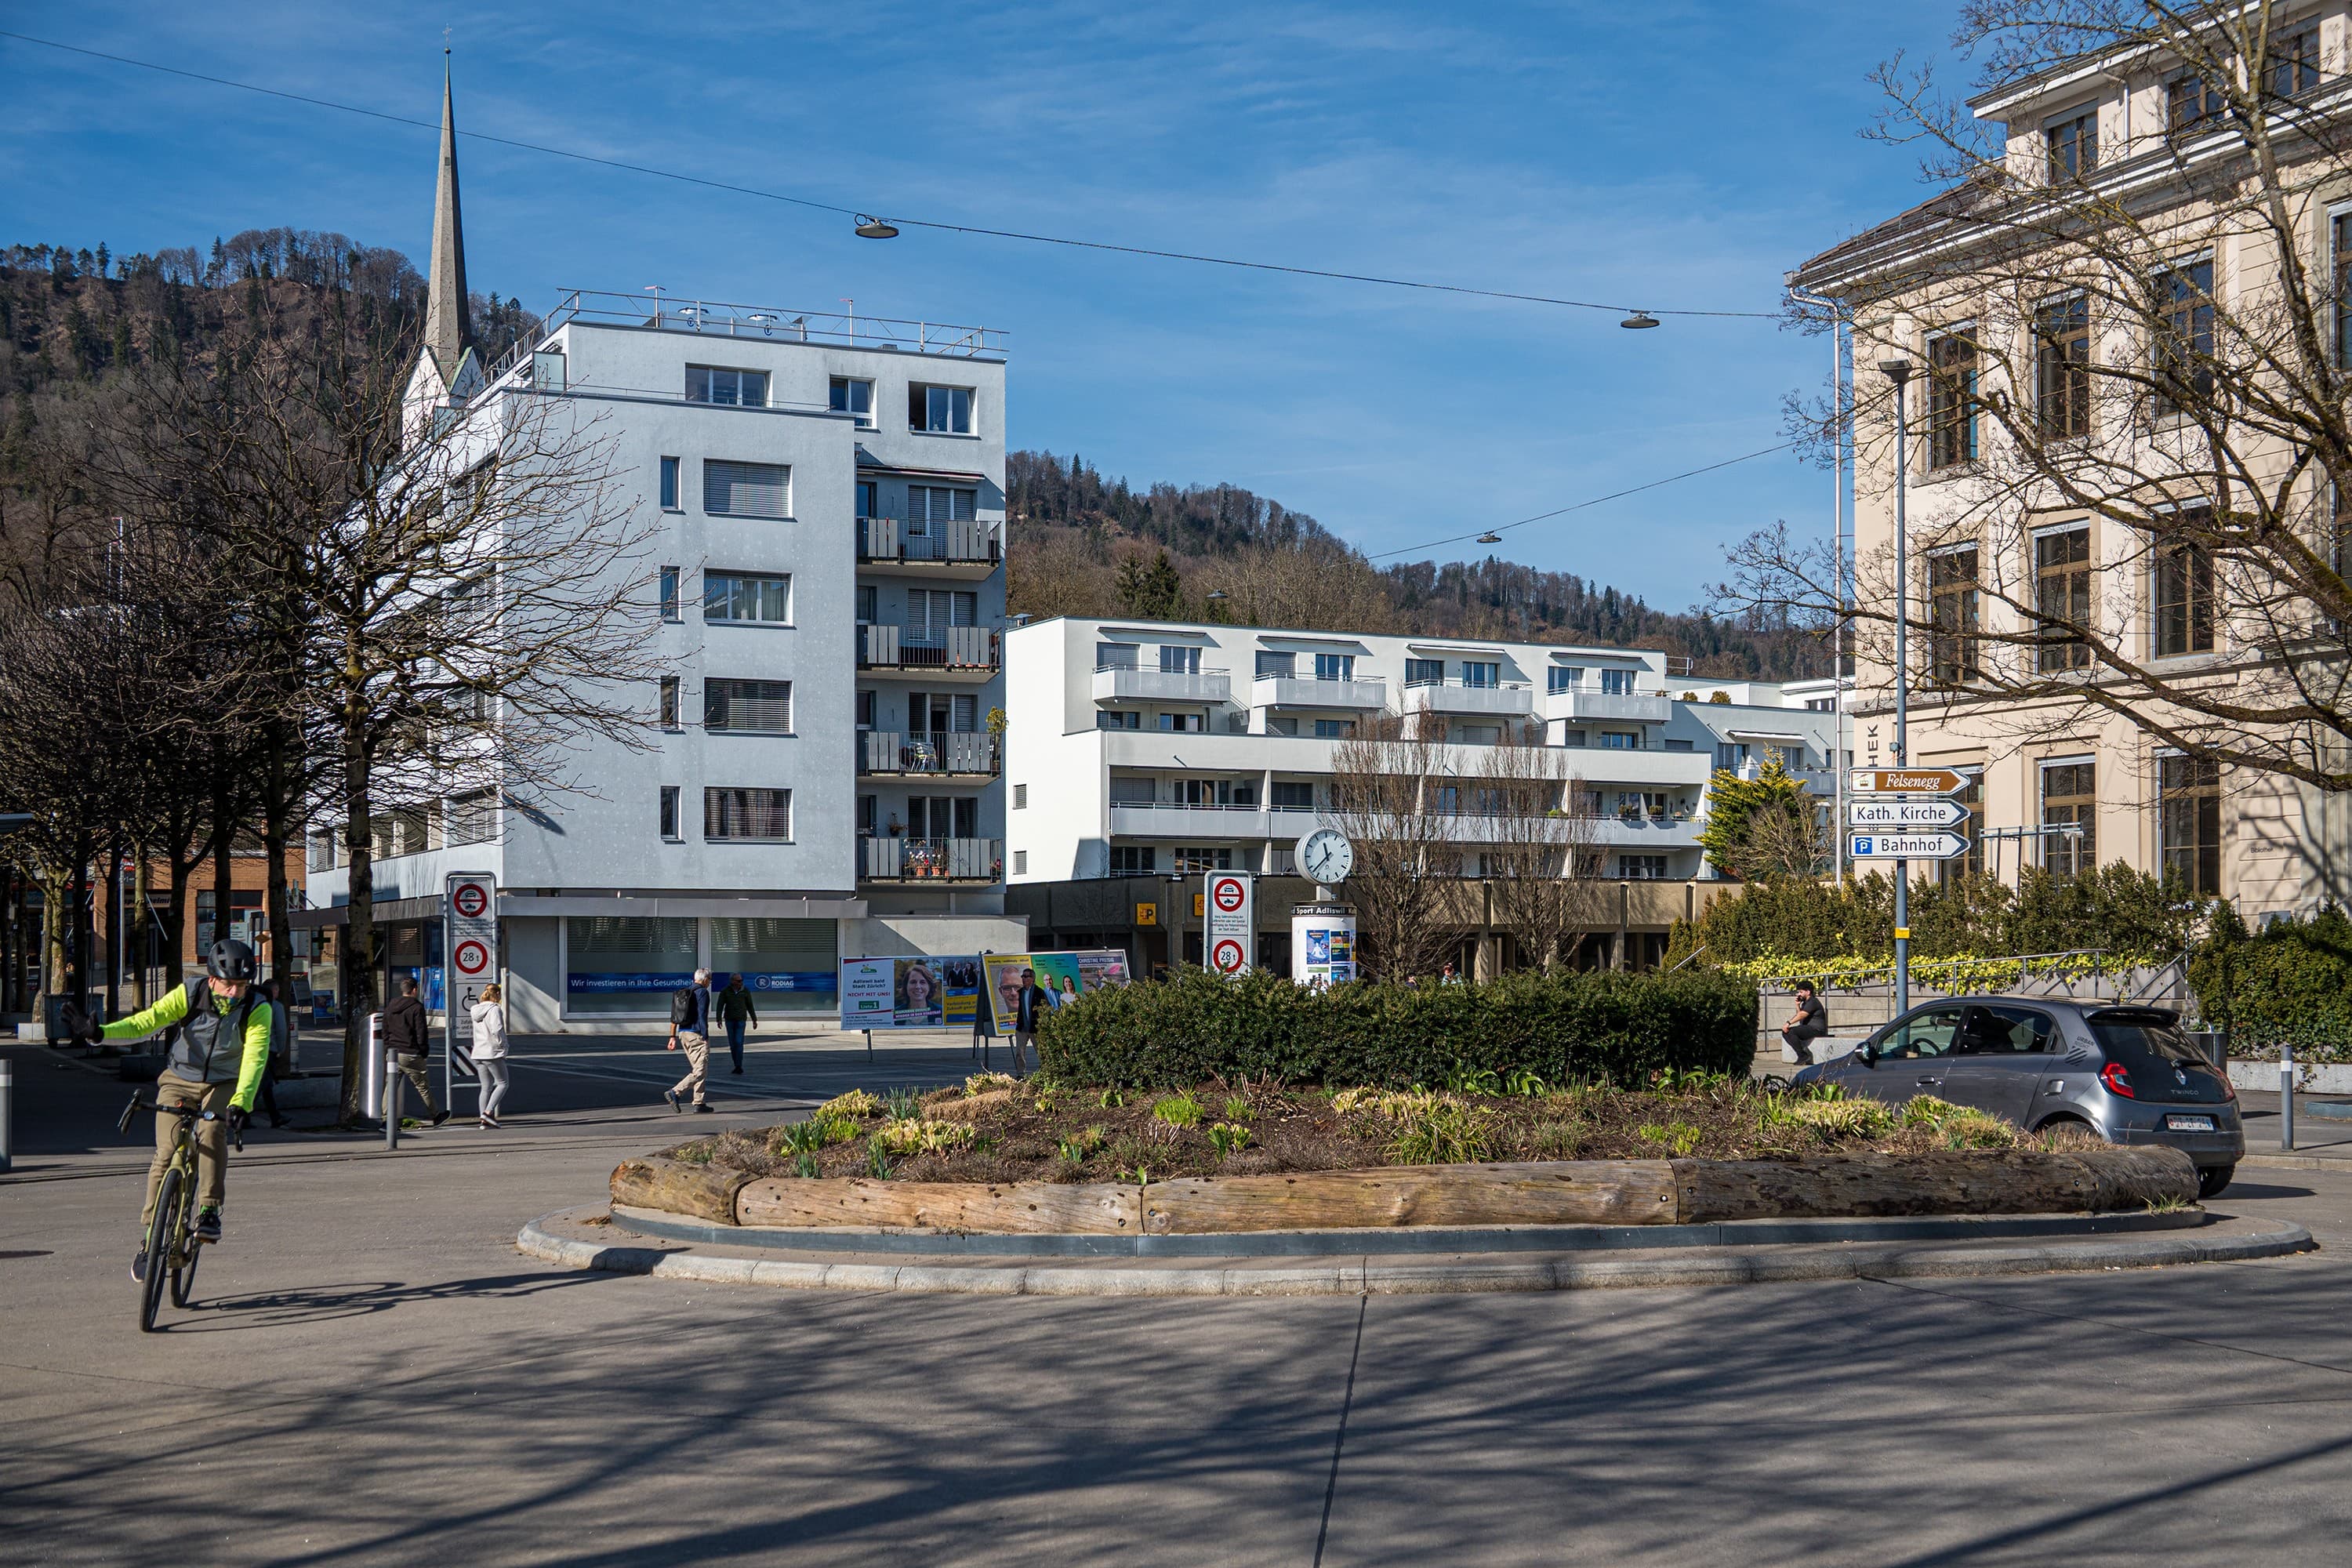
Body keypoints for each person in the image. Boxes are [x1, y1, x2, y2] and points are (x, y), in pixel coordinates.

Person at [65, 939, 273, 1282]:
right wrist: (100, 1034)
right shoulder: (189, 994)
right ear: (211, 979)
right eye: (229, 984)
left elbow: (255, 1057)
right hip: (179, 1078)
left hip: (224, 1084)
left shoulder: (257, 1007)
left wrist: (242, 1102)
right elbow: (148, 1021)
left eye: (242, 985)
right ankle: (149, 1240)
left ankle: (208, 1209)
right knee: (165, 1154)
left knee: (211, 1130)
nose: (235, 992)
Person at [381, 977, 449, 1126]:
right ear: (414, 990)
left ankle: (386, 1121)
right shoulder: (416, 1007)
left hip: (393, 1053)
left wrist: (387, 1048)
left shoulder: (391, 1005)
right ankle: (436, 1116)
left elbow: (385, 1029)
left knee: (390, 1086)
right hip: (410, 1052)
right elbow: (421, 1033)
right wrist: (424, 1052)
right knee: (422, 1087)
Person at [665, 967, 713, 1113]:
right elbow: (702, 1015)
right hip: (697, 1035)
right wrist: (705, 1036)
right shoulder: (702, 992)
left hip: (683, 1034)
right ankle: (675, 1092)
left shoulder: (685, 992)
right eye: (709, 980)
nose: (709, 983)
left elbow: (674, 1016)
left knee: (700, 1069)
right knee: (699, 1071)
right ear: (705, 980)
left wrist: (672, 1037)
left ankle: (699, 1102)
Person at [470, 982, 510, 1128]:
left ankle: (483, 1121)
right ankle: (487, 1113)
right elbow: (497, 1029)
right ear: (497, 995)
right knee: (503, 1083)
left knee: (485, 1086)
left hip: (478, 1052)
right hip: (491, 1052)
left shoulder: (475, 1009)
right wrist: (504, 1045)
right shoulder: (495, 1010)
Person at [255, 977, 292, 1128]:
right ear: (274, 991)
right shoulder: (275, 1006)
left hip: (252, 1049)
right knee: (262, 1084)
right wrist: (281, 1049)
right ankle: (240, 1113)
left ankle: (275, 1116)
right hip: (269, 1049)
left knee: (267, 1085)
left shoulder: (254, 1003)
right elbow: (281, 1030)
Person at [1010, 967, 1052, 1078]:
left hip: (1036, 1027)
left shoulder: (1039, 992)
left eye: (1026, 976)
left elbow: (1046, 1007)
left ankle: (1045, 1072)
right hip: (1022, 1027)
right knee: (1019, 1052)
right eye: (1022, 976)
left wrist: (1043, 1023)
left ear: (1032, 979)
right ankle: (1020, 1074)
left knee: (1041, 1051)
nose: (1023, 979)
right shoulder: (1020, 993)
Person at [1781, 981, 1831, 1066]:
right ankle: (1802, 1054)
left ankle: (1803, 1056)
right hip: (1809, 1028)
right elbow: (1800, 1015)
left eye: (1801, 992)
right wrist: (1797, 1005)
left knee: (1791, 1031)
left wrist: (1788, 1023)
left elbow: (1802, 1015)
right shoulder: (1805, 1003)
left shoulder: (1813, 1002)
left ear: (1808, 992)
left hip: (1817, 1030)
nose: (1799, 994)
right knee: (1786, 1032)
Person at [716, 974, 757, 1074]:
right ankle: (736, 1064)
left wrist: (754, 1020)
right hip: (729, 1020)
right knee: (732, 1044)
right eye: (738, 981)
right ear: (732, 981)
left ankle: (739, 1065)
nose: (740, 983)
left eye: (741, 981)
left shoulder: (745, 991)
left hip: (741, 1020)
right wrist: (718, 1019)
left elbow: (750, 1006)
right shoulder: (726, 991)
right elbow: (720, 1005)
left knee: (739, 1043)